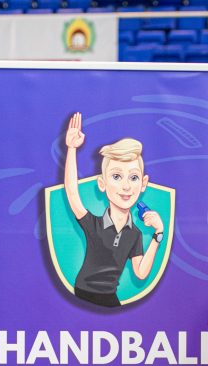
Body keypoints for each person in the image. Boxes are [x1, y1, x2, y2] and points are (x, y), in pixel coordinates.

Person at [63, 112, 165, 308]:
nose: (126, 187)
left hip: (110, 299)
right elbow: (72, 192)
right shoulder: (93, 224)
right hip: (82, 294)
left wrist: (158, 234)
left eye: (133, 178)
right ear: (102, 183)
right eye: (117, 176)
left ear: (143, 184)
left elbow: (141, 272)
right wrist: (71, 149)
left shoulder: (135, 234)